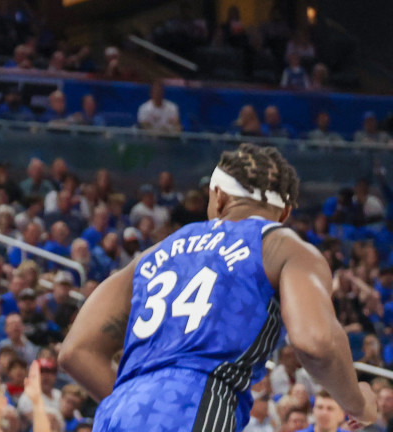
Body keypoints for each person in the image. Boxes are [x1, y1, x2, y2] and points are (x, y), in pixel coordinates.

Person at [60, 143, 378, 431]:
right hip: (198, 405)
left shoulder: (152, 253)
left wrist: (143, 409)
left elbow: (76, 351)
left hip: (119, 411)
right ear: (284, 212)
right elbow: (316, 343)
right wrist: (359, 402)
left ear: (218, 196)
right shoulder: (283, 246)